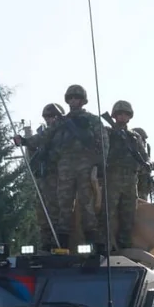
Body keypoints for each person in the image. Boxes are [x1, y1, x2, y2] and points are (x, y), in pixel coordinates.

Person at [53, 84, 109, 251]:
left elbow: (104, 141)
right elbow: (45, 136)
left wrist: (101, 163)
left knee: (87, 204)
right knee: (64, 205)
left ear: (83, 101)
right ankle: (62, 244)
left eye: (76, 98)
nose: (73, 101)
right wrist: (25, 141)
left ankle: (92, 243)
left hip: (86, 166)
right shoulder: (61, 122)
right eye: (70, 98)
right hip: (65, 168)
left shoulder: (92, 120)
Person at [13, 103, 65, 251]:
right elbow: (35, 144)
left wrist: (26, 141)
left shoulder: (64, 132)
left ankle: (58, 240)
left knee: (56, 208)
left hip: (60, 175)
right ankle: (46, 241)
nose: (50, 120)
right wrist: (24, 142)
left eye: (53, 116)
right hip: (44, 176)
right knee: (42, 209)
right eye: (47, 117)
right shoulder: (45, 133)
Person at [103, 100, 151, 251]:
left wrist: (149, 163)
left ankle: (124, 244)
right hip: (112, 177)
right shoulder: (107, 132)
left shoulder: (134, 137)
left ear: (129, 117)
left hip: (131, 179)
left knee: (128, 214)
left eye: (125, 114)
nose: (122, 117)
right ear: (114, 116)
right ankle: (106, 244)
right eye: (119, 114)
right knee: (108, 212)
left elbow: (144, 155)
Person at [131, 127, 154, 201]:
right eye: (143, 139)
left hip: (144, 186)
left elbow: (148, 162)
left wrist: (151, 165)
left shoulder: (145, 150)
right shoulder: (132, 149)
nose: (144, 141)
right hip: (136, 185)